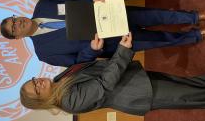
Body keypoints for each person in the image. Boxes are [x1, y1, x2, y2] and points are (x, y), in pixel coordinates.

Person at [20, 32, 205, 116]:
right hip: (140, 93)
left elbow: (82, 65)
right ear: (40, 100)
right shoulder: (68, 101)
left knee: (190, 85)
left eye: (34, 81)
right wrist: (123, 50)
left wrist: (92, 50)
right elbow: (103, 85)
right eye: (36, 89)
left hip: (134, 79)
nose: (39, 83)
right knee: (191, 95)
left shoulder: (59, 81)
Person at [0, 0, 205, 67]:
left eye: (14, 19)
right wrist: (91, 50)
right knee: (160, 40)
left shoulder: (43, 5)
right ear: (17, 37)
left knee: (158, 15)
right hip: (114, 43)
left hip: (113, 15)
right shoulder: (44, 53)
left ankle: (196, 17)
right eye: (14, 27)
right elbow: (78, 61)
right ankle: (196, 35)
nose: (18, 22)